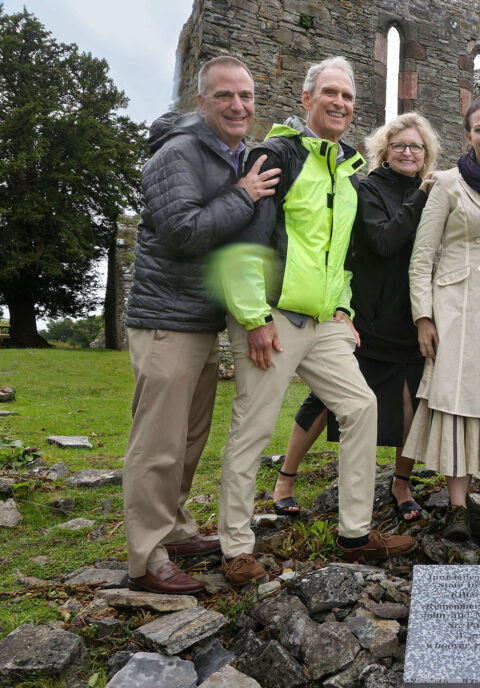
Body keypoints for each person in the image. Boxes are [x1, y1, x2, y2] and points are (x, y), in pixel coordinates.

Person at [214, 56, 417, 586]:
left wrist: (345, 308)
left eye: (348, 97)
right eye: (330, 93)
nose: (340, 103)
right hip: (274, 316)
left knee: (360, 405)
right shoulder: (277, 154)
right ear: (307, 99)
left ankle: (354, 534)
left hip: (324, 319)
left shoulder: (349, 169)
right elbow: (244, 242)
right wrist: (254, 317)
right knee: (253, 427)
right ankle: (235, 546)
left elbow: (342, 254)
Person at [121, 56, 280, 595]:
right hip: (166, 320)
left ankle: (177, 529)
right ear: (201, 101)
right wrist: (245, 195)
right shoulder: (177, 154)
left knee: (188, 439)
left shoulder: (229, 153)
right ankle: (145, 558)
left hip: (199, 319)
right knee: (157, 444)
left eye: (246, 95)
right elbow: (185, 232)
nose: (239, 106)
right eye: (225, 96)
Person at [272, 112, 440, 522]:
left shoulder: (435, 193)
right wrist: (420, 197)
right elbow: (382, 241)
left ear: (426, 153)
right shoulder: (365, 188)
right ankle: (285, 479)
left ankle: (401, 484)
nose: (407, 152)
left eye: (416, 147)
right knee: (329, 399)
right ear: (384, 150)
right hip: (369, 310)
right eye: (399, 145)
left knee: (411, 400)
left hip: (410, 312)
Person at [404, 97, 480, 541]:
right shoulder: (449, 185)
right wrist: (423, 316)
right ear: (468, 136)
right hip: (455, 308)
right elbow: (421, 257)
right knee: (456, 404)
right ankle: (457, 509)